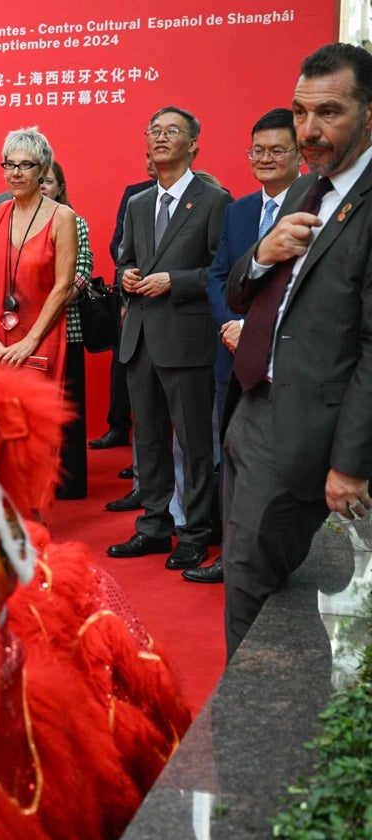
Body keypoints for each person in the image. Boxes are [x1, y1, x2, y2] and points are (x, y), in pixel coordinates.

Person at [222, 43, 372, 657]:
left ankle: (250, 736)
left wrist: (351, 462)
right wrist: (263, 253)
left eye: (329, 112)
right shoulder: (311, 188)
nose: (309, 130)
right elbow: (238, 291)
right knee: (254, 574)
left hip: (305, 430)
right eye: (300, 111)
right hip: (252, 405)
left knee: (252, 583)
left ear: (369, 112)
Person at [107, 107, 231, 571]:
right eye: (153, 130)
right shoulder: (139, 203)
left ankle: (195, 533)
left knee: (195, 443)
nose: (160, 138)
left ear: (194, 144)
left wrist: (173, 281)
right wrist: (127, 276)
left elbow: (222, 271)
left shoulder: (215, 200)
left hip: (187, 338)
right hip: (140, 336)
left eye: (171, 131)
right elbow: (125, 260)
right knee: (151, 441)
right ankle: (155, 526)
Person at [184, 108, 302, 585]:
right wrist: (232, 324)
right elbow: (218, 276)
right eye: (259, 150)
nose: (266, 158)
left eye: (278, 149)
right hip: (232, 356)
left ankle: (280, 559)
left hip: (288, 363)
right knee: (229, 457)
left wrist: (255, 332)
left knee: (282, 466)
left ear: (300, 154)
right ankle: (233, 556)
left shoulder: (319, 207)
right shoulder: (239, 210)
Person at [0, 127, 77, 383]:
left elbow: (63, 287)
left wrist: (31, 341)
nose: (15, 173)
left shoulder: (62, 217)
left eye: (25, 165)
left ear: (42, 169)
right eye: (9, 164)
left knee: (34, 419)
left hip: (40, 339)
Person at [92, 158, 156, 455]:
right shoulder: (135, 194)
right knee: (124, 363)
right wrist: (130, 273)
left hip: (174, 296)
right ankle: (118, 427)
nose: (151, 160)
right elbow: (119, 244)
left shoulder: (204, 193)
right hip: (133, 290)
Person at [40, 160, 92, 500]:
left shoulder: (75, 221)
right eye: (38, 181)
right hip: (25, 336)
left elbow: (82, 271)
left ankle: (70, 482)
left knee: (69, 411)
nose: (43, 186)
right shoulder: (15, 222)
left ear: (60, 186)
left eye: (48, 181)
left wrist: (49, 299)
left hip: (67, 329)